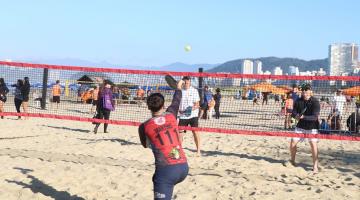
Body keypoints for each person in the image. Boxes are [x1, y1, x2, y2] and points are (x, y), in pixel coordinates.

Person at [138, 79, 188, 200]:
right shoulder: (171, 114)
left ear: (148, 107)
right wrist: (178, 87)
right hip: (183, 166)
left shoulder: (143, 127)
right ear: (164, 105)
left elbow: (145, 145)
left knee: (161, 180)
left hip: (167, 170)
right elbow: (176, 100)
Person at [289, 83, 320, 173]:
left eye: (306, 90)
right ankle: (293, 161)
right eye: (303, 90)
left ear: (310, 91)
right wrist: (296, 116)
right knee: (293, 143)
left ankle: (315, 166)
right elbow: (293, 113)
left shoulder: (315, 102)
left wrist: (303, 117)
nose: (305, 92)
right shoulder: (298, 101)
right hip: (301, 125)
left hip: (312, 126)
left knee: (313, 145)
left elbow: (314, 117)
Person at [178, 76, 201, 155]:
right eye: (185, 83)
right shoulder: (180, 91)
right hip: (183, 116)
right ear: (183, 82)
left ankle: (198, 151)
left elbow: (197, 104)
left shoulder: (194, 91)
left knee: (195, 132)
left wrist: (189, 110)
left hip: (193, 115)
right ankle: (179, 151)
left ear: (190, 82)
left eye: (188, 83)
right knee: (180, 134)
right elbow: (177, 103)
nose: (187, 84)